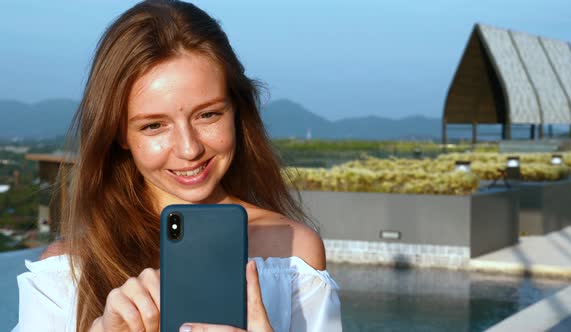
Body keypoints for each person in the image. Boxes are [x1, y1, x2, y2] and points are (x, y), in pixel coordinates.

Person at [12, 1, 342, 331]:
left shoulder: (292, 256)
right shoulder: (65, 273)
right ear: (119, 134)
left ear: (237, 111)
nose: (189, 149)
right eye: (154, 125)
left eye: (208, 114)